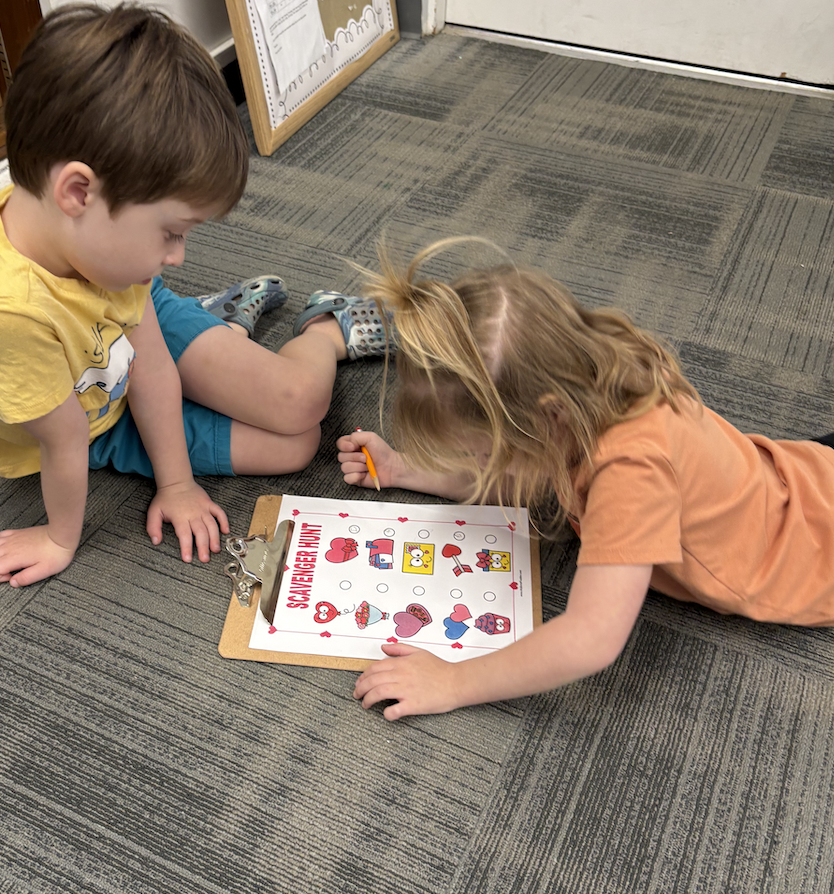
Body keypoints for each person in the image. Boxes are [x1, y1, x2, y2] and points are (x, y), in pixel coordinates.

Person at [0, 2, 393, 588]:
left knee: (302, 401)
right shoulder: (3, 313)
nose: (178, 256)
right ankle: (224, 325)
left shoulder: (99, 248)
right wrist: (57, 538)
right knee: (297, 447)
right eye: (171, 233)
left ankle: (323, 329)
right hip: (91, 421)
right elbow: (66, 440)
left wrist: (176, 481)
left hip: (126, 325)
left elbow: (148, 361)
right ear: (79, 193)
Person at [337, 237, 834, 720]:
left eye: (480, 452)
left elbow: (592, 638)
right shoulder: (585, 373)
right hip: (802, 475)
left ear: (548, 420)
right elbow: (520, 473)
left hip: (810, 560)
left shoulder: (631, 471)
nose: (477, 465)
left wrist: (453, 681)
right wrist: (404, 468)